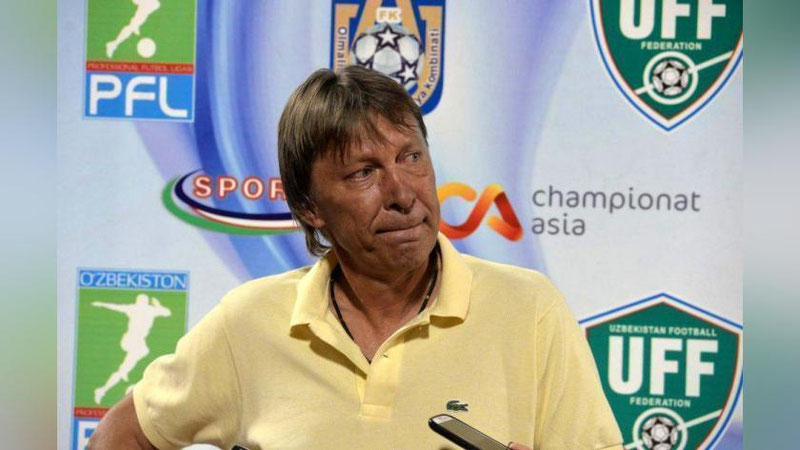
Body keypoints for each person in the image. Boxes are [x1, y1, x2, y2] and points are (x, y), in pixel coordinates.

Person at [89, 65, 623, 449]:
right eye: (364, 172)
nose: (403, 192)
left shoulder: (529, 310)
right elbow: (124, 435)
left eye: (411, 158)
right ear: (309, 206)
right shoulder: (248, 323)